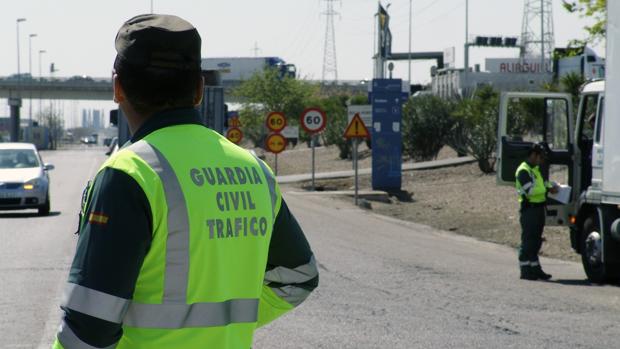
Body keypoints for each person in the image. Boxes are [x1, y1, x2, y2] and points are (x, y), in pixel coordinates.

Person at [53, 14, 318, 349]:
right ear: (198, 90)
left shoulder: (128, 174)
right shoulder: (254, 169)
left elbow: (86, 331)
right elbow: (299, 277)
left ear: (118, 87)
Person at [515, 142, 558, 281]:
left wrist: (551, 186)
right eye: (540, 157)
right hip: (529, 210)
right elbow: (530, 191)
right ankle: (525, 270)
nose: (541, 160)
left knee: (536, 241)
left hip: (539, 209)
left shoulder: (535, 169)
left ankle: (536, 269)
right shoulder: (523, 170)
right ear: (533, 155)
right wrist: (547, 189)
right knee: (528, 241)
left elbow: (541, 184)